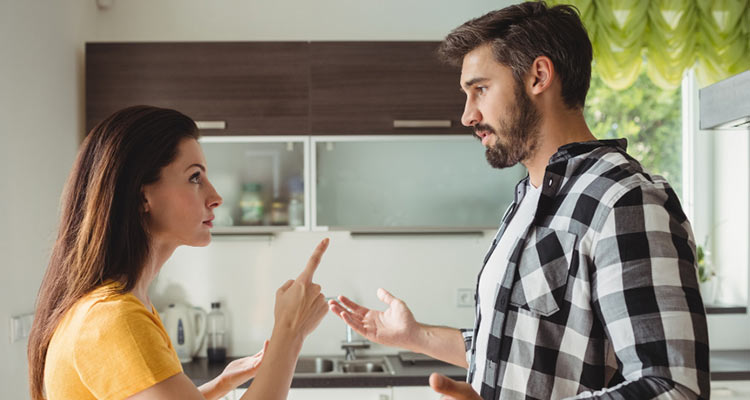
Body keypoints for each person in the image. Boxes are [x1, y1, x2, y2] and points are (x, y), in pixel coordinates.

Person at [329, 2, 709, 399]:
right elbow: (523, 352)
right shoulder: (530, 198)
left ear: (538, 77)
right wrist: (414, 335)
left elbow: (673, 388)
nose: (467, 115)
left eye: (480, 89)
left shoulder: (625, 201)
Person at [27, 105, 330, 400]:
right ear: (142, 196)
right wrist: (289, 333)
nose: (216, 197)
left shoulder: (122, 306)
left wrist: (221, 383)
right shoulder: (113, 318)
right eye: (195, 177)